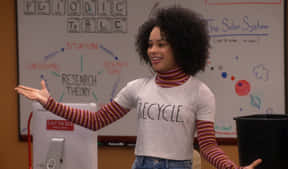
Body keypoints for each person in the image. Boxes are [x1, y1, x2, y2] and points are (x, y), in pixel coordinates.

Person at [15, 6, 262, 169]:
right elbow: (96, 121)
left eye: (162, 44)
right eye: (150, 44)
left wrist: (232, 168)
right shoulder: (137, 87)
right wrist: (51, 104)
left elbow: (208, 146)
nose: (153, 51)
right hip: (140, 164)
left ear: (183, 46)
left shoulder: (200, 93)